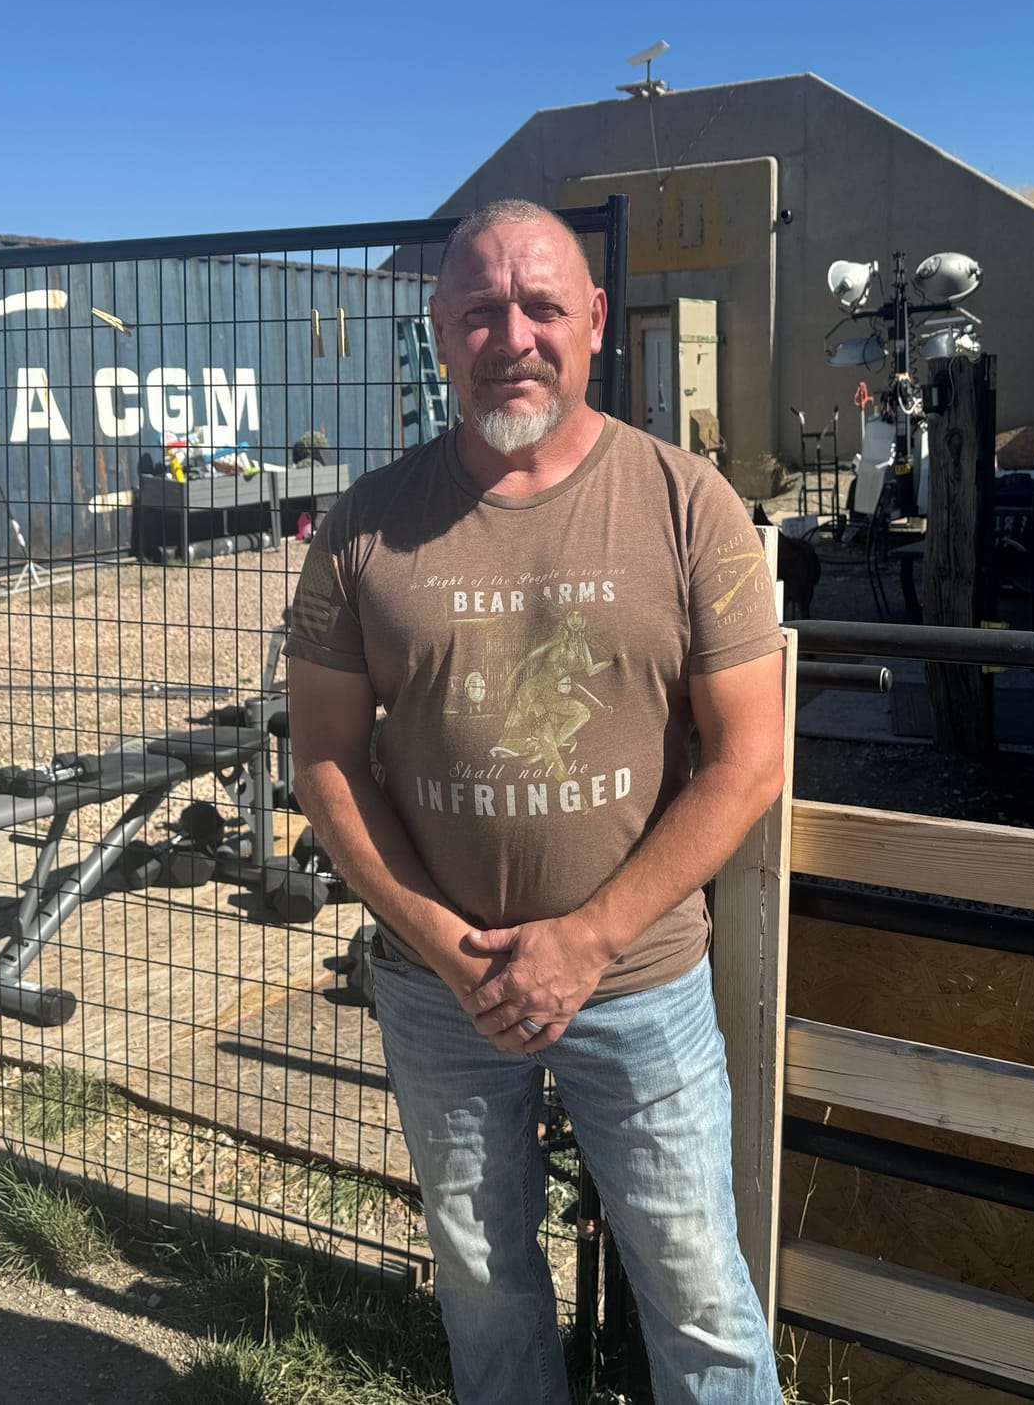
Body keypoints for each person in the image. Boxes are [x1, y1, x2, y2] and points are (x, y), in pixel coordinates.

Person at [285, 197, 786, 1405]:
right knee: (483, 1287)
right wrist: (445, 945)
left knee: (699, 1296)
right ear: (440, 333)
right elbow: (327, 763)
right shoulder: (362, 530)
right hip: (434, 985)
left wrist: (587, 939)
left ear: (594, 322)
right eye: (478, 310)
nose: (511, 332)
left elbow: (748, 760)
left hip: (639, 983)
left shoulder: (685, 504)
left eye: (541, 304)